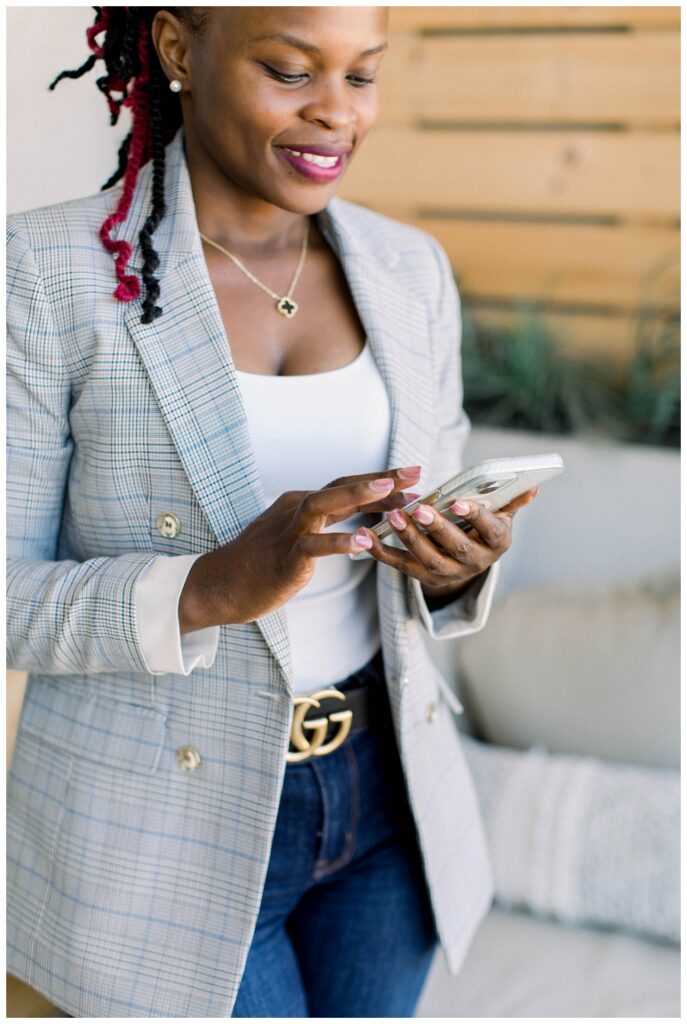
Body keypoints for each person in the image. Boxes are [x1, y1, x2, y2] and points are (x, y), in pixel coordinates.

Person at [6, 6, 538, 1018]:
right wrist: (207, 586)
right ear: (176, 51)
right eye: (291, 71)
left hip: (387, 796)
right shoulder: (42, 273)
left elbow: (440, 500)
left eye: (364, 75)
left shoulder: (408, 269)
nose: (337, 113)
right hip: (163, 820)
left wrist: (456, 565)